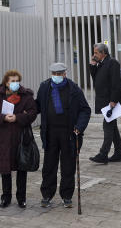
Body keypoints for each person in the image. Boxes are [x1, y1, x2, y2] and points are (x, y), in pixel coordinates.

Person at [35, 62, 90, 208]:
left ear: (65, 74)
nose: (57, 77)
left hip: (69, 133)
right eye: (54, 74)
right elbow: (37, 106)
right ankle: (47, 194)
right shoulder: (45, 87)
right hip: (50, 132)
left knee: (68, 165)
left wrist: (79, 127)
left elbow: (85, 110)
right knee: (49, 165)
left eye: (60, 74)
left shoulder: (73, 89)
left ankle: (67, 195)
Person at [0, 69, 38, 209]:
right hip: (4, 139)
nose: (15, 84)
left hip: (21, 138)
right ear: (6, 83)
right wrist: (3, 118)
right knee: (5, 170)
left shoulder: (26, 96)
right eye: (12, 81)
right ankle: (6, 197)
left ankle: (21, 198)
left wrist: (18, 117)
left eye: (17, 81)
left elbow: (33, 112)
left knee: (22, 168)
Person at [88, 43, 121, 164]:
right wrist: (92, 65)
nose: (94, 55)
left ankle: (103, 154)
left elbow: (116, 84)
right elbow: (96, 79)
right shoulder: (101, 63)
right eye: (94, 52)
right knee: (113, 128)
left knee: (108, 126)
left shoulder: (112, 63)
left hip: (111, 102)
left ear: (103, 53)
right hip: (104, 101)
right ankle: (119, 153)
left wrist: (113, 101)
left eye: (96, 53)